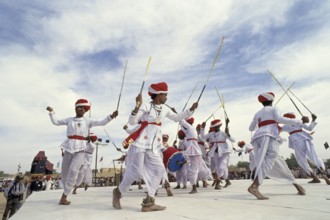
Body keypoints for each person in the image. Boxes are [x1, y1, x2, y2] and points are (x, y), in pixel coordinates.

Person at [113, 82, 198, 212]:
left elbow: (176, 117)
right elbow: (132, 122)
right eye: (165, 95)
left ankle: (148, 202)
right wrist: (137, 106)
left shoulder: (165, 109)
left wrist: (190, 110)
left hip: (154, 145)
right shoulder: (146, 106)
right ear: (158, 95)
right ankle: (118, 192)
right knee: (135, 172)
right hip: (141, 143)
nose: (166, 98)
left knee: (159, 170)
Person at [47, 98, 118, 205]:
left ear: (85, 110)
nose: (81, 109)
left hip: (81, 149)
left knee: (74, 171)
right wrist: (52, 112)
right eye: (79, 107)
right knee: (65, 172)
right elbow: (56, 122)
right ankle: (67, 190)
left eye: (84, 108)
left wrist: (111, 116)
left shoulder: (88, 121)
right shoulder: (69, 119)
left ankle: (64, 197)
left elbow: (101, 122)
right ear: (76, 108)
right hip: (68, 147)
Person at [248, 92, 308, 200]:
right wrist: (299, 121)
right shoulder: (274, 109)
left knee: (278, 162)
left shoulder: (257, 113)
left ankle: (296, 185)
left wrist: (265, 121)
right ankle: (255, 186)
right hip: (269, 135)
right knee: (269, 160)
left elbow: (251, 128)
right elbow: (280, 119)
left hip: (258, 137)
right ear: (272, 100)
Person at [282, 112, 330, 184]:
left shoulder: (286, 125)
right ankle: (324, 174)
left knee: (301, 160)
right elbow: (310, 128)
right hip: (306, 140)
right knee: (314, 157)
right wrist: (313, 120)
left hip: (297, 142)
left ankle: (315, 178)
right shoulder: (299, 122)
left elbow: (277, 126)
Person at [179, 117, 212, 194]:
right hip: (195, 151)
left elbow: (182, 122)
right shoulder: (190, 130)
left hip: (193, 150)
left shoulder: (190, 128)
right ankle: (206, 180)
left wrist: (178, 116)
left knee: (193, 169)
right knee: (201, 167)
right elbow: (183, 128)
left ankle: (194, 188)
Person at [200, 118, 235, 189]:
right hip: (215, 152)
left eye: (215, 127)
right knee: (222, 168)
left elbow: (233, 140)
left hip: (224, 152)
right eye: (213, 127)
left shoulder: (223, 133)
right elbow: (203, 137)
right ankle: (227, 181)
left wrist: (228, 133)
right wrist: (203, 128)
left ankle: (218, 181)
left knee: (221, 167)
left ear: (219, 126)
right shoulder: (211, 134)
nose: (214, 129)